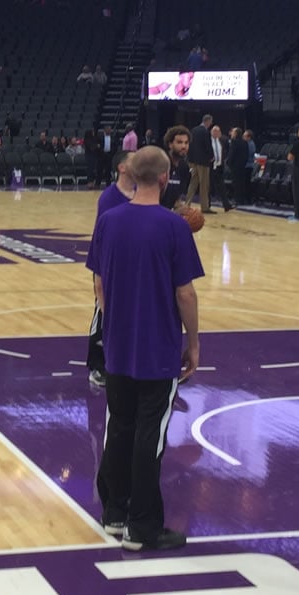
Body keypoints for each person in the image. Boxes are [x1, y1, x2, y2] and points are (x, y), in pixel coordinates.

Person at [87, 146, 203, 552]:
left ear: (133, 175)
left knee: (118, 426)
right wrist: (194, 343)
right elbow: (185, 293)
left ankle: (113, 514)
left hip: (117, 345)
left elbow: (99, 286)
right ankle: (143, 526)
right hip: (157, 349)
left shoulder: (109, 221)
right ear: (166, 177)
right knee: (148, 436)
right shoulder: (174, 227)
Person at [86, 151, 136, 389]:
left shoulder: (142, 194)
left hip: (133, 262)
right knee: (103, 312)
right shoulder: (109, 197)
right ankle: (97, 366)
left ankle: (125, 363)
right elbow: (102, 236)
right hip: (108, 261)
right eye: (133, 160)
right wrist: (100, 270)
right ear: (122, 167)